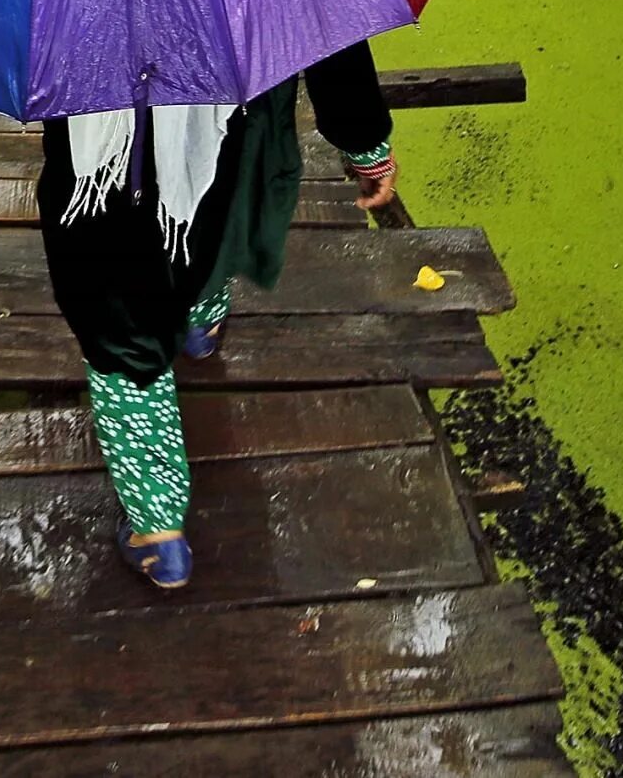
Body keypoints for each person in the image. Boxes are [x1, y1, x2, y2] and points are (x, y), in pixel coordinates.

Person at [36, 40, 397, 589]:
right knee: (207, 200)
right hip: (232, 109)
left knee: (117, 314)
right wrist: (365, 143)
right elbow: (320, 18)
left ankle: (158, 531)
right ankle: (201, 320)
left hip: (102, 141)